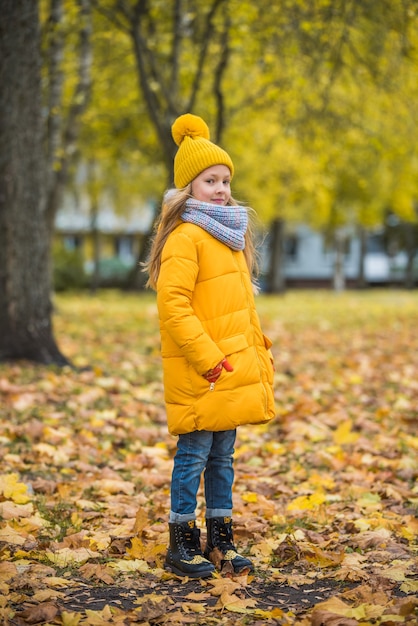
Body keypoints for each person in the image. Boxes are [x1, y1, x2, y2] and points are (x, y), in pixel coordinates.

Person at [144, 113, 275, 578]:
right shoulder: (187, 237)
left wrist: (256, 345)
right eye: (210, 181)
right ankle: (182, 543)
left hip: (231, 367)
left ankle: (222, 541)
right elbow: (174, 306)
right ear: (188, 188)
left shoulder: (229, 234)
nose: (221, 189)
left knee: (223, 457)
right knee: (194, 453)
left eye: (225, 180)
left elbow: (236, 306)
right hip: (203, 368)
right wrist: (207, 358)